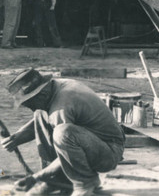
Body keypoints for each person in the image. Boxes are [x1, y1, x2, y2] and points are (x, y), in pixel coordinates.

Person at [1, 68, 125, 196]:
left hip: (109, 153)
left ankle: (85, 183)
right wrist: (18, 137)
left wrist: (35, 177)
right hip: (94, 144)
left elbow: (64, 151)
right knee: (40, 113)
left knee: (63, 133)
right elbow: (43, 117)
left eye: (28, 104)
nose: (28, 108)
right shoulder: (54, 88)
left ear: (41, 94)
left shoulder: (62, 106)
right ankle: (56, 181)